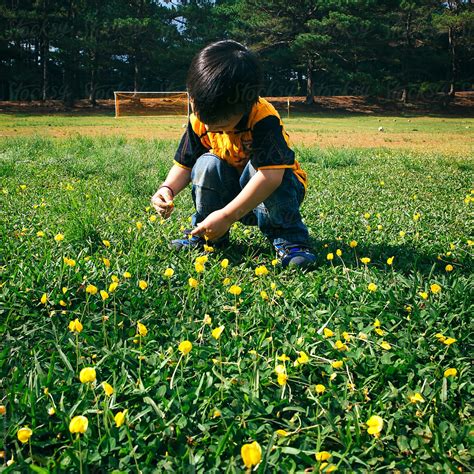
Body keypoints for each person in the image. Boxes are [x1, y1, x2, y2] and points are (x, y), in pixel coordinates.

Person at [151, 40, 316, 268]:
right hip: (229, 197)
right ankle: (208, 234)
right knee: (206, 164)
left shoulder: (263, 118)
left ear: (246, 104)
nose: (209, 129)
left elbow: (271, 177)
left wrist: (228, 217)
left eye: (220, 125)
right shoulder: (200, 120)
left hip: (272, 197)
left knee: (267, 170)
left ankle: (290, 239)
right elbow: (185, 164)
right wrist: (166, 189)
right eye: (204, 119)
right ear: (192, 98)